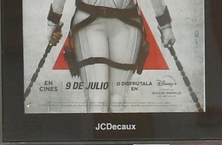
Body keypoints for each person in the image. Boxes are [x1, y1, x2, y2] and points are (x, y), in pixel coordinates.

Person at [46, 0, 175, 113]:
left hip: (126, 23)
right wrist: (52, 22)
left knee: (117, 101)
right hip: (89, 22)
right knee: (97, 100)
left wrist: (166, 26)